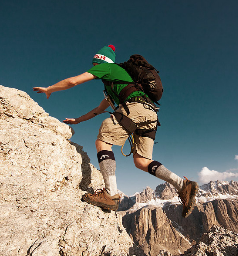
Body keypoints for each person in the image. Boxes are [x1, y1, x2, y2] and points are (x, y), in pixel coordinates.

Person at [33, 45, 198, 218]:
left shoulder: (108, 68)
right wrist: (77, 120)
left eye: (94, 64)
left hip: (135, 108)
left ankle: (110, 194)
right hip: (150, 114)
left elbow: (73, 81)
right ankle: (182, 184)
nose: (94, 68)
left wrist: (49, 89)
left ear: (99, 61)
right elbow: (98, 109)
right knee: (142, 161)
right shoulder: (116, 86)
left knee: (102, 142)